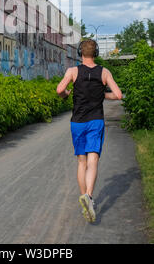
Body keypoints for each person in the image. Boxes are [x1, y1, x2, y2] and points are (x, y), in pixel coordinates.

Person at [56, 39, 123, 223]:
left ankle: (83, 196)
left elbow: (60, 89)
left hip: (77, 122)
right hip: (96, 121)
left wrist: (66, 94)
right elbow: (118, 95)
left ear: (80, 52)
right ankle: (89, 196)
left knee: (81, 162)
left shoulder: (73, 71)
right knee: (93, 160)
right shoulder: (104, 72)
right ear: (97, 52)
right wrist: (103, 94)